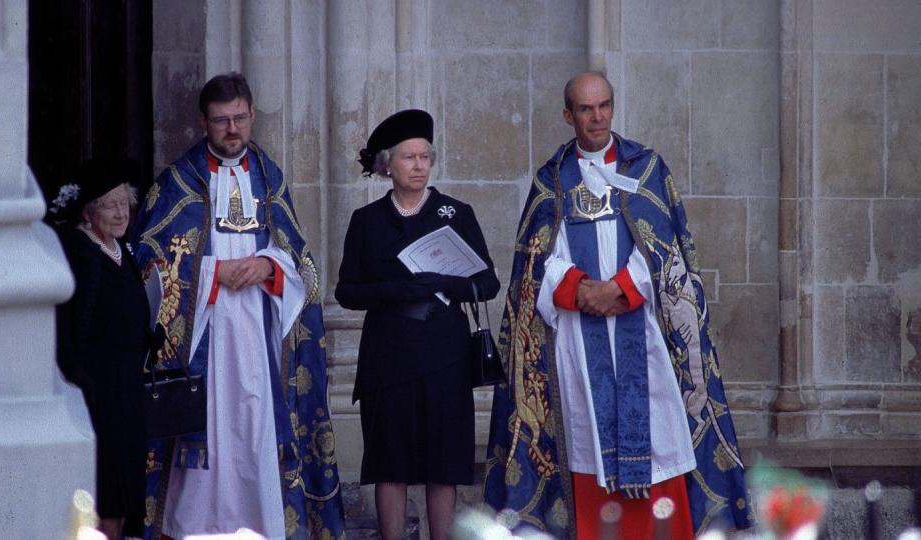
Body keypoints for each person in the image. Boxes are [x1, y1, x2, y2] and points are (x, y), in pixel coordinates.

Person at [483, 71, 752, 538]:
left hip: (642, 333)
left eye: (604, 105)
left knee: (659, 433)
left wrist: (621, 288)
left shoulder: (645, 168)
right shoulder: (552, 181)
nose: (598, 117)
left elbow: (668, 250)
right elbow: (535, 261)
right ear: (568, 115)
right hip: (576, 340)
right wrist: (582, 290)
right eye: (586, 109)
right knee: (585, 439)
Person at [130, 72, 344, 539]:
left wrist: (271, 268)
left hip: (260, 338)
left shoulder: (271, 180)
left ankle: (263, 526)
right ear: (203, 121)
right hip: (201, 341)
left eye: (241, 119)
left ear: (251, 115)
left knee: (256, 431)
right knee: (205, 439)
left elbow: (299, 258)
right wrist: (211, 275)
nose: (233, 130)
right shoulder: (176, 184)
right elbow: (148, 261)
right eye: (222, 120)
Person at [335, 109, 500, 540]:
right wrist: (396, 289)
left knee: (441, 465)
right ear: (388, 164)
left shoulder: (455, 213)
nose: (419, 166)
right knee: (390, 462)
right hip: (388, 356)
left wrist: (445, 281)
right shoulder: (367, 221)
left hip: (445, 354)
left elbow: (488, 282)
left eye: (425, 157)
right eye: (409, 157)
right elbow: (346, 292)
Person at [51, 157, 152, 540]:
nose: (120, 212)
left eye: (124, 203)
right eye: (110, 205)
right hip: (100, 391)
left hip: (126, 388)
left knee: (126, 498)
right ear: (89, 211)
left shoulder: (120, 250)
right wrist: (82, 379)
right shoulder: (80, 252)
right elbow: (71, 326)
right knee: (105, 501)